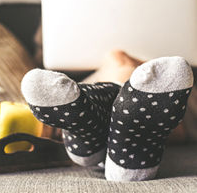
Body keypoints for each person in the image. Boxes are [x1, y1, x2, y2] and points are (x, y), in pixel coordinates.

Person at [21, 50, 194, 181]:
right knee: (122, 63)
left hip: (100, 79)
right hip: (104, 77)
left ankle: (97, 115)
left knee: (118, 60)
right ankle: (129, 150)